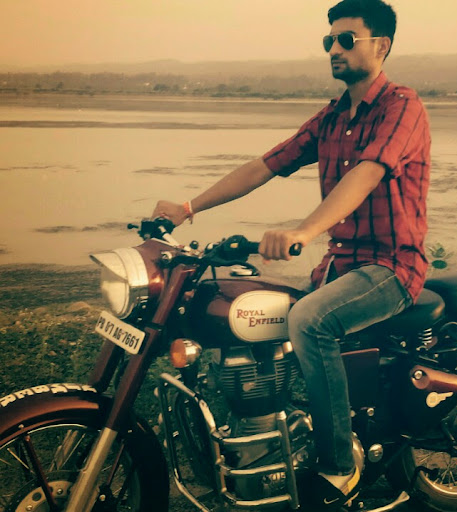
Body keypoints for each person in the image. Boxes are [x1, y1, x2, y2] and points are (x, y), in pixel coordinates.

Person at [153, 0, 431, 507]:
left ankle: (339, 469)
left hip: (392, 266)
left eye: (346, 39)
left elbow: (367, 174)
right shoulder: (333, 117)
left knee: (308, 320)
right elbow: (265, 165)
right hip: (339, 267)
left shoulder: (401, 107)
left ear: (381, 46)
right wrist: (188, 207)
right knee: (260, 316)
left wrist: (303, 230)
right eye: (329, 40)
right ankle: (278, 436)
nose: (334, 49)